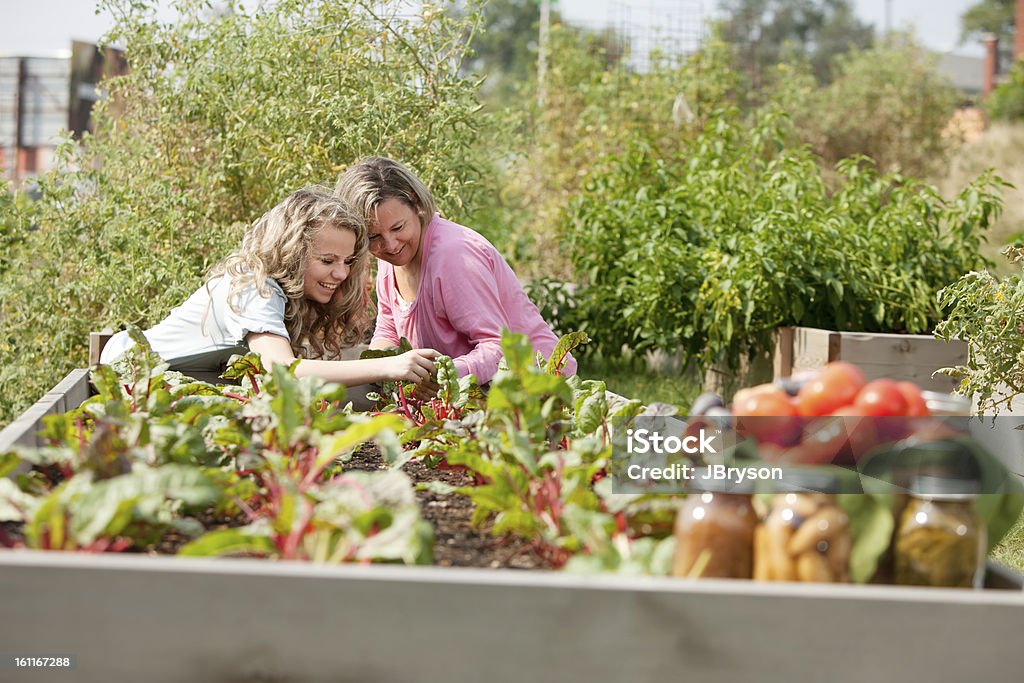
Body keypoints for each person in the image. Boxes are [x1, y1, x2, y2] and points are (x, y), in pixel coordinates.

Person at [100, 186, 440, 387]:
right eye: (327, 261)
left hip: (161, 380)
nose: (340, 274)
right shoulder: (255, 286)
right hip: (128, 373)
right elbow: (279, 369)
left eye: (347, 262)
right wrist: (389, 366)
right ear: (292, 253)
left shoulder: (283, 296)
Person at [335, 157, 576, 385]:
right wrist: (383, 368)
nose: (390, 245)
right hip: (467, 388)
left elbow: (498, 349)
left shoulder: (454, 257)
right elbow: (388, 329)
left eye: (398, 227)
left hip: (533, 385)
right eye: (374, 236)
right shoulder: (391, 259)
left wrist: (441, 376)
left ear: (416, 203)